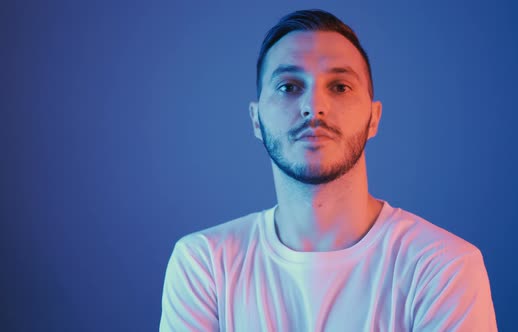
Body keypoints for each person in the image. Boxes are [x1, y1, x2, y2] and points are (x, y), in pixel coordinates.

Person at [159, 9, 497, 332]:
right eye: (289, 86)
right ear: (256, 120)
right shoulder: (204, 265)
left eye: (339, 86)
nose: (314, 107)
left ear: (374, 118)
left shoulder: (444, 268)